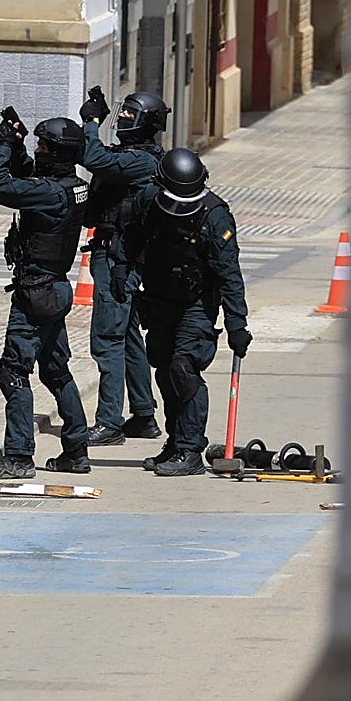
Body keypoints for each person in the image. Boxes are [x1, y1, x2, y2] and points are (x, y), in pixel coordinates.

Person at [114, 147, 252, 476]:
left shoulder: (214, 216)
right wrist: (122, 270)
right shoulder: (148, 201)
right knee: (163, 369)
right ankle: (175, 442)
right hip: (159, 297)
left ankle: (191, 451)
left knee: (183, 368)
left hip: (197, 303)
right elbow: (132, 237)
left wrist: (237, 324)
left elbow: (229, 274)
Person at [0, 116, 92, 478]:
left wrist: (0, 148)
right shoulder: (74, 187)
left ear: (57, 153)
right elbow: (29, 177)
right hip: (54, 289)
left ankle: (18, 457)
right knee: (56, 371)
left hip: (35, 293)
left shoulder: (50, 193)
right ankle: (76, 450)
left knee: (12, 373)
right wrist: (16, 147)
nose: (38, 151)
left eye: (43, 146)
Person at [77, 89, 165, 446]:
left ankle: (109, 422)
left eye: (131, 114)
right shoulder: (128, 156)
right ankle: (143, 414)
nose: (124, 119)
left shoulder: (142, 161)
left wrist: (90, 122)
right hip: (117, 256)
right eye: (123, 112)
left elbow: (93, 158)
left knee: (107, 341)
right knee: (127, 336)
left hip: (119, 259)